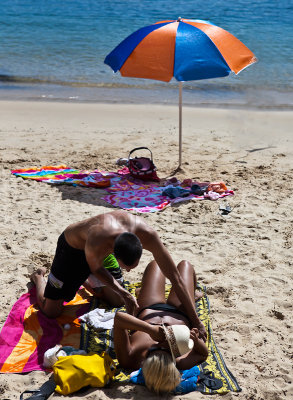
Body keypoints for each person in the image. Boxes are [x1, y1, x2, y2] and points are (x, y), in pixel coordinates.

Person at [31, 210, 206, 340]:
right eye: (126, 268)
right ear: (115, 254)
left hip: (98, 255)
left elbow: (175, 277)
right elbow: (96, 268)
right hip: (72, 250)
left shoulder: (149, 235)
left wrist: (196, 321)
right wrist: (124, 291)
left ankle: (80, 282)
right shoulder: (98, 237)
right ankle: (39, 277)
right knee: (51, 311)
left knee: (116, 301)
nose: (128, 271)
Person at [114, 259, 208, 395]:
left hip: (149, 309)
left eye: (155, 349)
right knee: (185, 265)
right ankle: (190, 296)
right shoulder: (180, 362)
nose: (161, 344)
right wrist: (197, 341)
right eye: (168, 351)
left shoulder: (130, 359)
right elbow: (203, 354)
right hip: (180, 313)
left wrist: (150, 329)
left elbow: (119, 319)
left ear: (144, 365)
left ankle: (143, 293)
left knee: (157, 263)